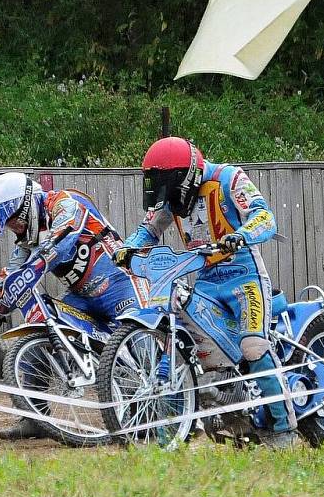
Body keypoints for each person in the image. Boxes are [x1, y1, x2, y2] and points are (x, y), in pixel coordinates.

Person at [115, 136, 298, 448]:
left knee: (253, 346)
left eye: (164, 184)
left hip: (245, 280)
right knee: (196, 346)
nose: (162, 193)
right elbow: (148, 230)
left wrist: (241, 235)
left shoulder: (228, 178)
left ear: (183, 177)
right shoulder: (172, 202)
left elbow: (265, 217)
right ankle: (192, 423)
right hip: (206, 281)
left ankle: (284, 431)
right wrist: (124, 249)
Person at [0, 172, 149, 441]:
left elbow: (64, 237)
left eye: (13, 221)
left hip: (122, 283)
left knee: (138, 348)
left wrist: (34, 263)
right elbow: (10, 274)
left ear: (26, 205)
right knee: (42, 332)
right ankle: (34, 417)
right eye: (8, 225)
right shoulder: (27, 240)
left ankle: (159, 414)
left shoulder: (65, 201)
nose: (15, 228)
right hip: (82, 297)